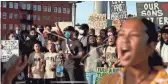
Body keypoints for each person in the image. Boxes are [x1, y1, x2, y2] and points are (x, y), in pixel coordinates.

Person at [100, 17, 168, 84]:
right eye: (121, 34)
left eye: (133, 35)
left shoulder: (163, 80)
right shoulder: (109, 81)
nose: (124, 40)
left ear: (151, 46)